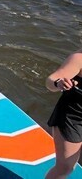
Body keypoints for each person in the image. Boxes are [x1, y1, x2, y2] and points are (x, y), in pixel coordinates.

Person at [45, 50, 82, 179]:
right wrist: (58, 83)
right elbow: (50, 81)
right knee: (65, 167)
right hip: (73, 118)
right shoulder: (79, 59)